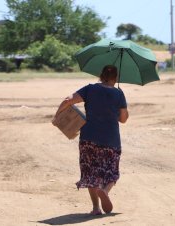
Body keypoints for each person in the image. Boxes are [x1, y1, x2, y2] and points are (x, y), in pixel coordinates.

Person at [53, 65, 129, 215]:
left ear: (101, 75)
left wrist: (57, 116)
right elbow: (123, 119)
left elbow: (68, 100)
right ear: (116, 78)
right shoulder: (119, 94)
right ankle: (105, 190)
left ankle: (95, 208)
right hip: (110, 139)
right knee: (111, 171)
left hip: (88, 138)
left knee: (90, 172)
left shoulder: (90, 89)